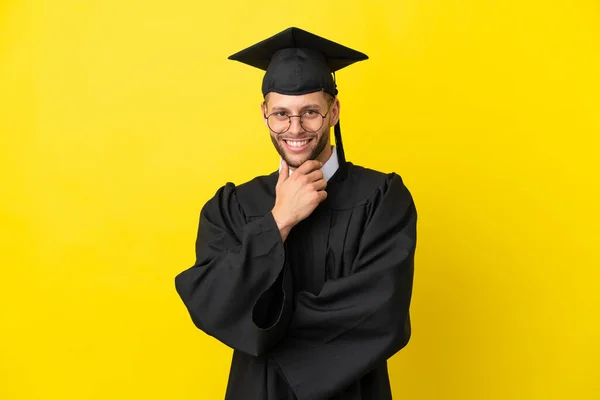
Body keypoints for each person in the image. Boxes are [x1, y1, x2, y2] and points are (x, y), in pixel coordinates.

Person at [174, 27, 417, 400]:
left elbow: (381, 311)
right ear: (264, 114)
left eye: (310, 113)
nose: (295, 129)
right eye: (281, 115)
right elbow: (212, 302)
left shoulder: (381, 199)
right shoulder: (234, 206)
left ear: (333, 111)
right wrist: (278, 221)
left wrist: (263, 327)